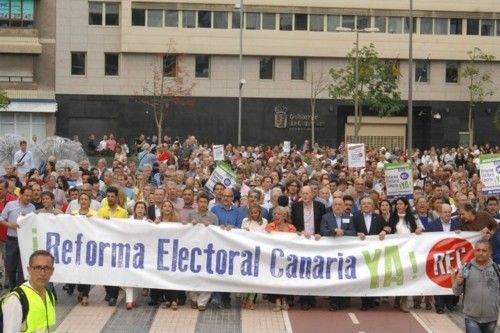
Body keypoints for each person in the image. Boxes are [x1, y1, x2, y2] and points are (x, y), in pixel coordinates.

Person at [1, 250, 56, 333]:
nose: (42, 273)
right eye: (37, 267)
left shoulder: (49, 295)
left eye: (47, 268)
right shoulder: (16, 299)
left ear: (52, 271)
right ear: (29, 270)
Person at [290, 185, 326, 310]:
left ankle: (311, 297)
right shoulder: (295, 206)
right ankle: (304, 298)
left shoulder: (320, 206)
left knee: (313, 270)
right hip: (301, 243)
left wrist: (320, 233)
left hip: (316, 243)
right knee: (303, 270)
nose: (305, 196)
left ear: (312, 194)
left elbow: (324, 222)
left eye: (307, 193)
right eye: (303, 193)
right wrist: (299, 231)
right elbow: (292, 224)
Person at [452, 240, 499, 333]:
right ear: (474, 251)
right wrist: (458, 283)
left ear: (490, 252)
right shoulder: (466, 269)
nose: (480, 253)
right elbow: (456, 292)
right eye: (478, 250)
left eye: (484, 250)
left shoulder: (497, 269)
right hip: (471, 318)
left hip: (491, 318)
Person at [352, 196, 388, 311]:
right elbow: (350, 230)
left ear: (372, 206)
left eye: (369, 203)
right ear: (360, 206)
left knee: (373, 276)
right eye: (364, 203)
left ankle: (372, 299)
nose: (366, 205)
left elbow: (388, 227)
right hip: (360, 253)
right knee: (363, 276)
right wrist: (356, 233)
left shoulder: (379, 217)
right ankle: (364, 301)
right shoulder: (355, 218)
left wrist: (385, 231)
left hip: (375, 252)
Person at [388, 197, 424, 313]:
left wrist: (419, 230)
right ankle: (397, 298)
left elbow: (422, 228)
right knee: (398, 275)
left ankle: (403, 300)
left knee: (406, 276)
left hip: (409, 251)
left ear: (406, 206)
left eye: (400, 204)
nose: (398, 206)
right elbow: (388, 229)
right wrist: (384, 230)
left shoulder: (413, 218)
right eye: (397, 204)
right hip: (396, 251)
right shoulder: (392, 217)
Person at [319, 197, 355, 311]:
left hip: (345, 253)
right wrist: (334, 231)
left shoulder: (348, 218)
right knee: (333, 276)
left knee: (343, 276)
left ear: (344, 206)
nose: (338, 206)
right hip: (331, 253)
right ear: (332, 206)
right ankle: (334, 302)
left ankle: (343, 300)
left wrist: (343, 232)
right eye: (336, 204)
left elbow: (353, 231)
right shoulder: (326, 217)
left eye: (340, 204)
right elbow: (322, 231)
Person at [426, 204, 461, 314]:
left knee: (451, 280)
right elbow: (425, 241)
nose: (447, 214)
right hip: (438, 258)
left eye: (449, 212)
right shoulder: (432, 225)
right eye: (445, 212)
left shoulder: (457, 225)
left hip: (452, 258)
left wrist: (461, 234)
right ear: (440, 213)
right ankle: (439, 306)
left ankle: (450, 304)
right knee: (440, 280)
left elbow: (462, 241)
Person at [96, 186, 128, 306]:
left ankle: (113, 296)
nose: (110, 198)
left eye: (112, 196)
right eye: (108, 196)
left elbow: (125, 229)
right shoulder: (101, 211)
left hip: (117, 247)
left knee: (115, 271)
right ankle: (108, 291)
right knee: (104, 271)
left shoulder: (123, 212)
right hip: (104, 246)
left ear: (116, 197)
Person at [187, 192, 218, 311]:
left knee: (207, 275)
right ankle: (193, 298)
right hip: (193, 250)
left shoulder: (213, 217)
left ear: (208, 204)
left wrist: (211, 227)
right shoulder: (191, 214)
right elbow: (184, 230)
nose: (203, 204)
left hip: (207, 251)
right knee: (192, 274)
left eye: (205, 202)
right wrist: (190, 224)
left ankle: (202, 301)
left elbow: (218, 233)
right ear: (197, 202)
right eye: (201, 201)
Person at [1, 186, 35, 289]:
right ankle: (12, 285)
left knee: (22, 268)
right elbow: (1, 218)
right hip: (12, 239)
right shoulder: (11, 205)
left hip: (25, 240)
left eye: (30, 196)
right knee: (10, 266)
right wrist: (11, 225)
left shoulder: (32, 207)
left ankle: (20, 289)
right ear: (20, 195)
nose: (28, 198)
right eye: (26, 195)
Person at [265, 206, 296, 312]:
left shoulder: (291, 228)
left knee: (286, 280)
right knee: (275, 280)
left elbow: (295, 242)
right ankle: (277, 301)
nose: (276, 216)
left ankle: (285, 300)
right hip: (274, 258)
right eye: (274, 214)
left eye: (278, 214)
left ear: (284, 216)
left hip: (287, 259)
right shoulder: (269, 227)